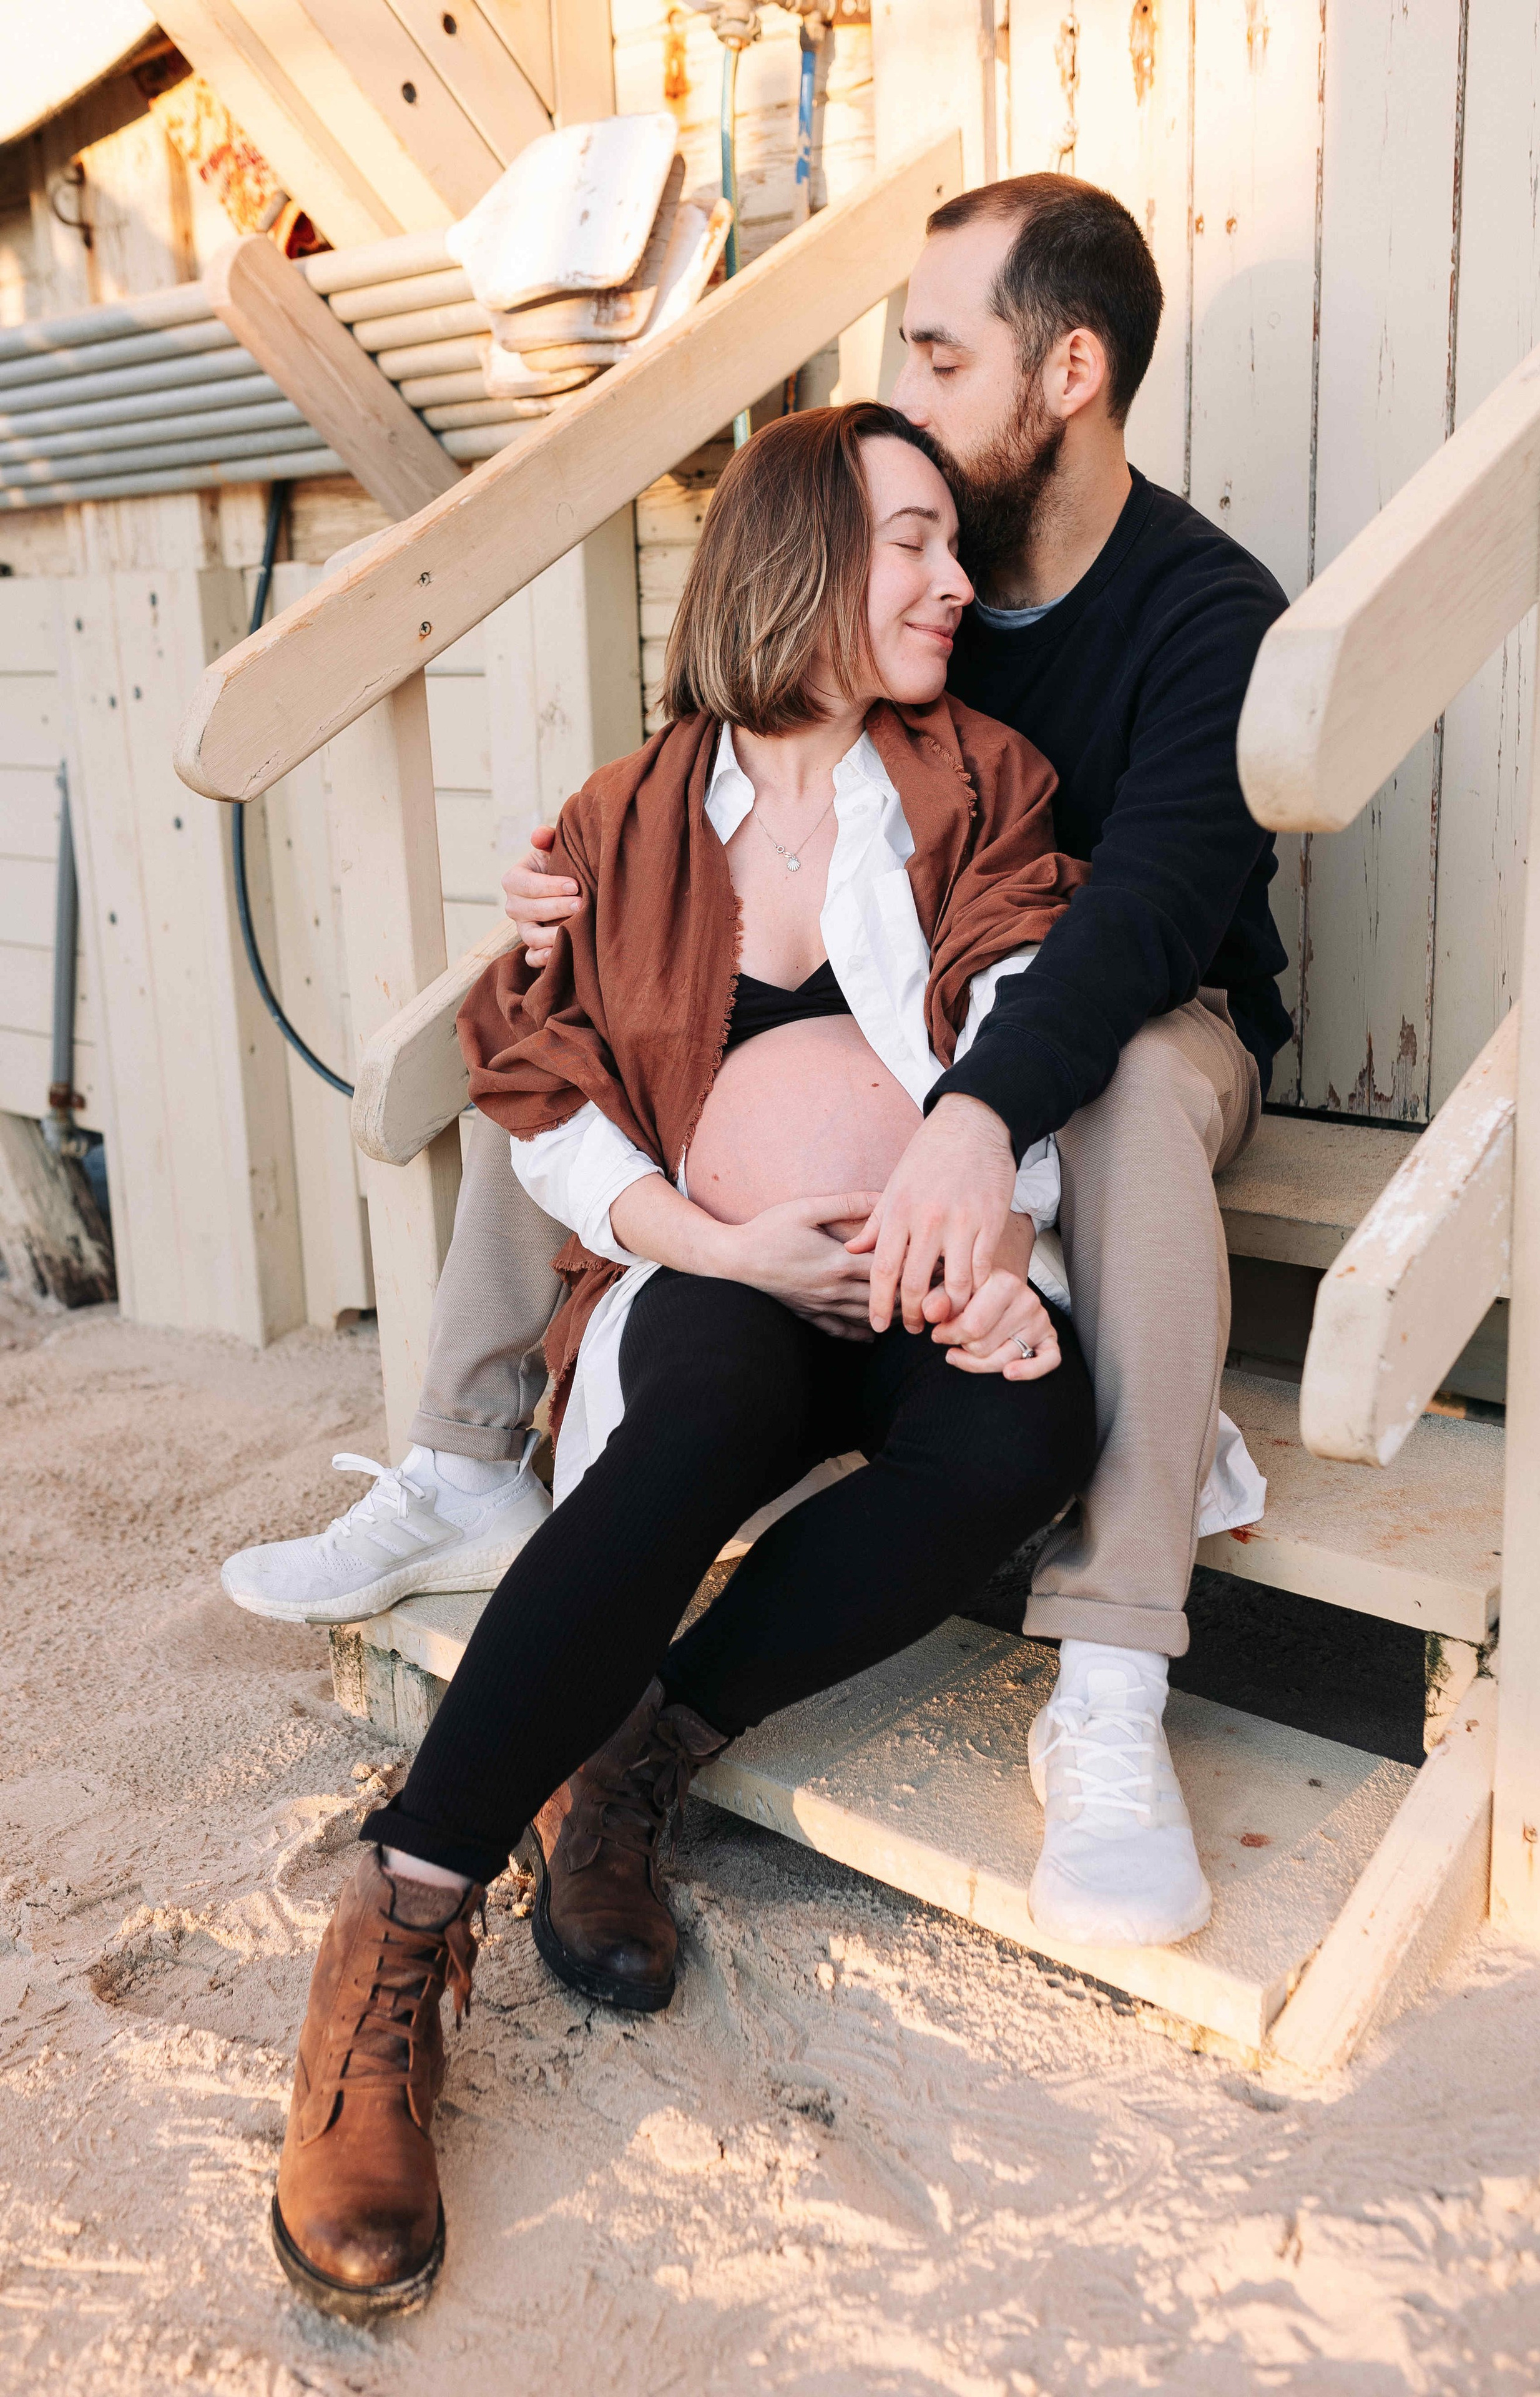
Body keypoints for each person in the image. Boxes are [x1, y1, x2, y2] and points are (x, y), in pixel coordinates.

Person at [225, 170, 1288, 1958]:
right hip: (796, 1197)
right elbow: (719, 817)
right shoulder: (889, 622)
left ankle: (1109, 1669)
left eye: (939, 355)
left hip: (1136, 1013)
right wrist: (575, 909)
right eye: (900, 534)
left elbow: (1132, 918)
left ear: (1071, 371)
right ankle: (462, 1482)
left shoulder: (1194, 615)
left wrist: (989, 1166)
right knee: (565, 988)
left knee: (1093, 1103)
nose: (905, 392)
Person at [268, 404, 1100, 2321]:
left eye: (955, 543)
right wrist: (717, 1241)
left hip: (916, 1265)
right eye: (911, 542)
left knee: (1027, 1428)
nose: (957, 581)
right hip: (708, 1270)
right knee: (712, 1400)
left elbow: (1029, 1007)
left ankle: (642, 1754)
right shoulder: (621, 820)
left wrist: (995, 1235)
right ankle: (400, 1917)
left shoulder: (983, 779)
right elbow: (543, 1091)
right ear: (798, 558)